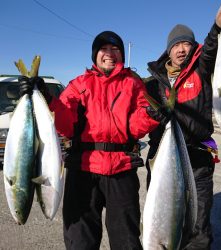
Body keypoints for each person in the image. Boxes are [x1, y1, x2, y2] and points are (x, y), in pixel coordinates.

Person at [18, 31, 160, 249]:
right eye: (104, 49)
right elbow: (66, 123)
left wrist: (151, 115)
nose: (110, 54)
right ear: (95, 54)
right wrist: (46, 98)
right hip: (83, 168)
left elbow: (134, 126)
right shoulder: (79, 84)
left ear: (122, 54)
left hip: (121, 168)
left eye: (115, 49)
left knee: (127, 240)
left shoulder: (133, 83)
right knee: (80, 240)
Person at [145, 0, 221, 249]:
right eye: (175, 44)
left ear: (192, 47)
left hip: (197, 159)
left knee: (198, 225)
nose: (180, 49)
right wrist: (151, 116)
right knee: (164, 221)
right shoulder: (152, 84)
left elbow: (210, 48)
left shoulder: (200, 69)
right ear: (168, 49)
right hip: (163, 160)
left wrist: (219, 23)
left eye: (186, 43)